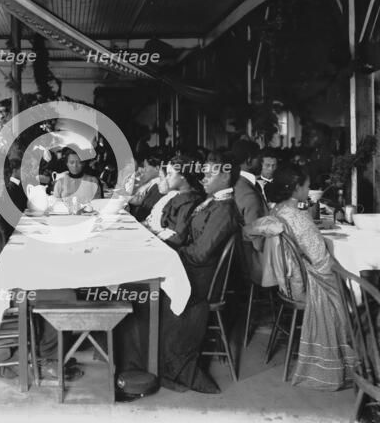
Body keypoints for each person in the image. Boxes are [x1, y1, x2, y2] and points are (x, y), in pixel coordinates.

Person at [115, 151, 242, 394]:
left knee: (136, 291)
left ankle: (142, 367)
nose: (203, 175)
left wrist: (169, 254)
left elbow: (200, 254)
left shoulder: (224, 210)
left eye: (210, 172)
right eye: (203, 171)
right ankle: (131, 362)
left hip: (199, 279)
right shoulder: (213, 201)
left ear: (226, 177)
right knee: (131, 283)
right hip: (190, 268)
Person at [0, 151, 82, 380]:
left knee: (54, 277)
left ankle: (44, 347)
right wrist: (20, 274)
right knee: (64, 295)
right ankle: (47, 360)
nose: (5, 180)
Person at [245, 165, 356, 390]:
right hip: (304, 286)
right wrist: (347, 275)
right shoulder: (297, 216)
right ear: (296, 188)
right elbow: (322, 261)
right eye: (306, 186)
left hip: (286, 283)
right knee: (356, 285)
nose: (309, 190)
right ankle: (360, 352)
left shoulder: (278, 211)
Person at [231, 140, 269, 283]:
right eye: (259, 158)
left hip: (238, 262)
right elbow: (258, 243)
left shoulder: (236, 183)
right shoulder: (248, 193)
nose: (262, 162)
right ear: (249, 160)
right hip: (254, 264)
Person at [146, 156, 204, 247]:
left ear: (182, 176)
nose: (167, 178)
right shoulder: (176, 196)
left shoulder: (190, 202)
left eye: (170, 174)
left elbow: (179, 238)